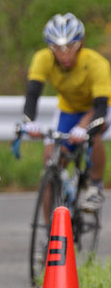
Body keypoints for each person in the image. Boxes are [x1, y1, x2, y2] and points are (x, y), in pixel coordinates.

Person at [22, 13, 109, 211]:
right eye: (57, 49)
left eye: (71, 47)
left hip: (95, 109)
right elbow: (32, 94)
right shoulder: (42, 59)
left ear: (81, 44)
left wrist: (85, 129)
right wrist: (28, 121)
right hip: (67, 109)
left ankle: (95, 186)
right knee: (49, 168)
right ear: (49, 47)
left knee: (92, 134)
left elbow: (101, 107)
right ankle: (48, 234)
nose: (65, 55)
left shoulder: (96, 63)